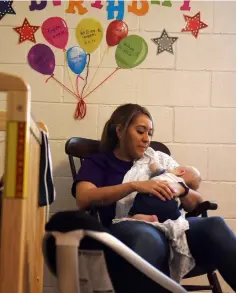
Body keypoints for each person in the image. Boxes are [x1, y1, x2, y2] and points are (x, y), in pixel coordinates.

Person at [71, 103, 236, 291]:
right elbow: (83, 197)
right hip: (132, 227)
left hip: (174, 228)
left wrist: (182, 190)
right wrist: (134, 186)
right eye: (140, 131)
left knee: (215, 225)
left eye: (150, 133)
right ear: (120, 131)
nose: (146, 139)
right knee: (145, 239)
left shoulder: (156, 161)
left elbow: (197, 202)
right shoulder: (99, 162)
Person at [127, 164, 202, 223]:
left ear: (181, 172)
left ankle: (133, 216)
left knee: (137, 208)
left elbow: (155, 168)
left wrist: (153, 164)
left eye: (175, 168)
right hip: (168, 202)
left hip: (148, 196)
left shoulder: (166, 174)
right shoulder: (182, 186)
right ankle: (158, 220)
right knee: (176, 219)